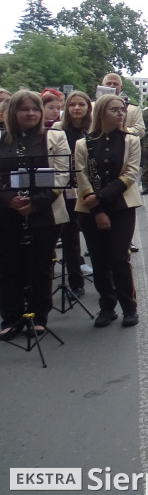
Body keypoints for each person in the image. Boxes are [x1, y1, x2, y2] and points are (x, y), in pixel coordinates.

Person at [0, 91, 70, 338]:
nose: (30, 114)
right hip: (7, 213)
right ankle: (11, 317)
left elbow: (62, 174)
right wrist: (9, 200)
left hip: (45, 213)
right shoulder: (2, 139)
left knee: (40, 266)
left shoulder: (55, 137)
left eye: (35, 109)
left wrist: (36, 202)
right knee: (9, 266)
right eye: (24, 109)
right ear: (12, 113)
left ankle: (39, 315)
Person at [75, 94, 141, 328]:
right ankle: (107, 307)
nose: (120, 113)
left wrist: (100, 198)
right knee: (100, 259)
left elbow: (130, 174)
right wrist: (95, 207)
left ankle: (129, 307)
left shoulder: (131, 140)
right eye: (114, 110)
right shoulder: (84, 143)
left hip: (121, 205)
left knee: (118, 257)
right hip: (90, 208)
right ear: (101, 113)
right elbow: (81, 176)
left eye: (122, 109)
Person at [56, 90, 94, 300]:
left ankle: (105, 280)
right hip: (66, 191)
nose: (77, 108)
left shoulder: (94, 130)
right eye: (73, 104)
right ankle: (75, 282)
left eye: (81, 104)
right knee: (70, 240)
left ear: (88, 107)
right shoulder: (58, 131)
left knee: (95, 237)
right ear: (67, 108)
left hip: (90, 191)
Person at [100, 73, 145, 138]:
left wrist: (122, 129)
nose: (112, 86)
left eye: (115, 84)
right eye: (108, 83)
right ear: (102, 85)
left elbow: (140, 131)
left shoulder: (133, 109)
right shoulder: (91, 106)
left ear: (121, 87)